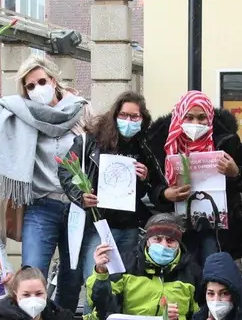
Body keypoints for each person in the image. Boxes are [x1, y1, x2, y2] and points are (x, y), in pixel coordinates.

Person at [0, 53, 91, 309]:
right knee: (31, 273)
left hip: (78, 207)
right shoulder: (20, 111)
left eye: (41, 81)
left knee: (71, 277)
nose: (36, 89)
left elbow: (101, 142)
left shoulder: (82, 109)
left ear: (53, 80)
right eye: (30, 86)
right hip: (41, 206)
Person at [58, 91, 165, 288]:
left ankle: (114, 319)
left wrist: (145, 177)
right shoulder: (91, 141)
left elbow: (148, 189)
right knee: (96, 281)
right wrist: (80, 196)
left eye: (134, 116)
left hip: (130, 226)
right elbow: (65, 170)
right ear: (115, 115)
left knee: (122, 284)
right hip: (98, 225)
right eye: (123, 115)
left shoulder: (145, 146)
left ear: (143, 119)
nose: (128, 121)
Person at [145, 91, 242, 263]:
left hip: (219, 232)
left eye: (201, 117)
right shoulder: (160, 145)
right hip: (176, 228)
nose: (195, 123)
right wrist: (164, 194)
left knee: (213, 277)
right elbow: (152, 185)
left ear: (210, 117)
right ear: (179, 116)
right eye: (188, 117)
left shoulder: (226, 141)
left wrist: (236, 173)